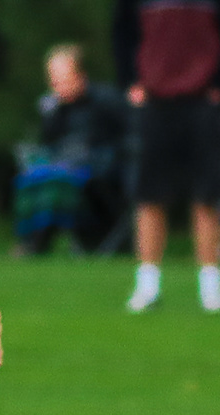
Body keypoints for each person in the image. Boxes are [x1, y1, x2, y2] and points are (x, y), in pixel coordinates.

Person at [118, 0, 220, 309]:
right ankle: (148, 286)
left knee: (207, 196)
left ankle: (210, 288)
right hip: (155, 100)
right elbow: (123, 33)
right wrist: (130, 81)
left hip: (202, 100)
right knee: (150, 196)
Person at [17, 44, 133, 256]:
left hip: (102, 172)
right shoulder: (55, 108)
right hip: (66, 169)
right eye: (54, 81)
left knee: (54, 181)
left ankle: (37, 244)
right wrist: (51, 113)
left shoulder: (107, 100)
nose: (58, 86)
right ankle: (31, 242)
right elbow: (47, 144)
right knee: (30, 179)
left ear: (81, 76)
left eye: (64, 79)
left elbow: (127, 138)